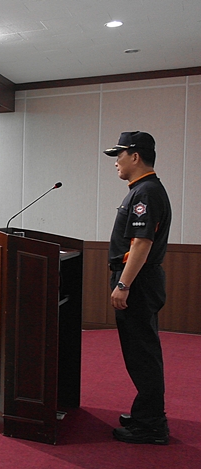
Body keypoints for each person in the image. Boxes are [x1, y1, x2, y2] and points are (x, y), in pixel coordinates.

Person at [104, 131, 171, 445]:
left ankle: (151, 426)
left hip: (138, 282)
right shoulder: (144, 190)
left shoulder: (145, 192)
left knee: (142, 354)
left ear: (135, 155)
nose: (116, 162)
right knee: (141, 351)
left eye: (119, 155)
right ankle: (147, 414)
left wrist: (123, 284)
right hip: (141, 281)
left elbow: (141, 244)